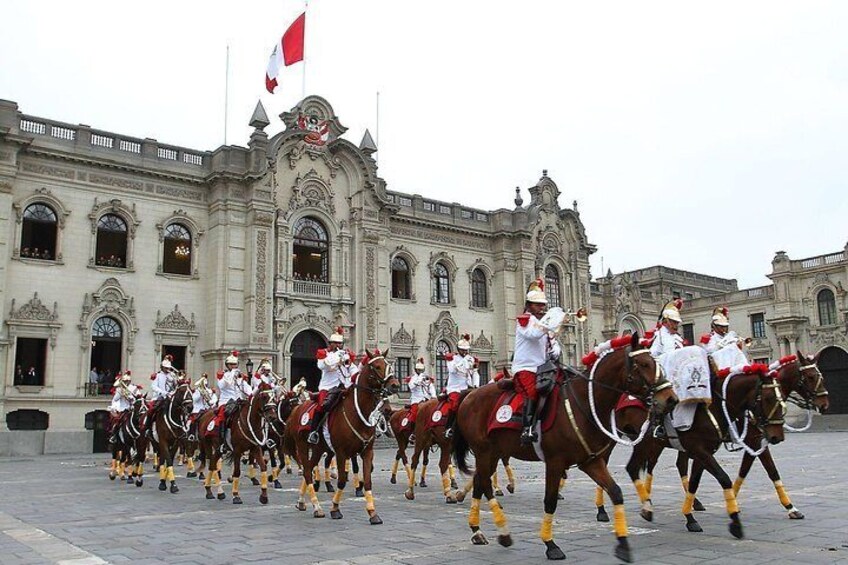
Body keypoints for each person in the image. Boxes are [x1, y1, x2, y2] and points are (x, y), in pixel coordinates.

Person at [512, 278, 563, 445]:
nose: (541, 308)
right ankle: (527, 429)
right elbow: (533, 335)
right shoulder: (524, 320)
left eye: (543, 305)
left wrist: (555, 348)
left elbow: (551, 347)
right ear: (529, 305)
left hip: (542, 369)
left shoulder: (541, 324)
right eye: (537, 305)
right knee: (532, 393)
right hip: (525, 367)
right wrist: (550, 322)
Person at [308, 327, 354, 444]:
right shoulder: (324, 354)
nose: (338, 345)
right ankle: (314, 432)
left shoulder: (346, 354)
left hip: (344, 385)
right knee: (322, 406)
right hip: (328, 387)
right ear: (330, 343)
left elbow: (351, 368)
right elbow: (323, 366)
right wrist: (337, 356)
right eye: (336, 343)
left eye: (340, 343)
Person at [443, 334, 480, 438]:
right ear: (458, 349)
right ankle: (449, 427)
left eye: (466, 350)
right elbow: (452, 370)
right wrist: (464, 361)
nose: (465, 352)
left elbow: (475, 373)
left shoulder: (471, 359)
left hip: (466, 387)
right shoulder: (452, 359)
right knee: (454, 405)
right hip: (454, 387)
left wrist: (476, 385)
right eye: (463, 350)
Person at [212, 351, 251, 448]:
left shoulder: (239, 377)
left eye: (235, 364)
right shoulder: (223, 375)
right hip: (226, 402)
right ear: (227, 365)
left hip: (238, 401)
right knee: (224, 416)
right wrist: (232, 374)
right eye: (231, 364)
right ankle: (222, 442)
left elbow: (247, 389)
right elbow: (222, 386)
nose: (233, 366)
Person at [406, 357, 434, 444]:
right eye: (418, 370)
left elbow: (431, 387)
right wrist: (418, 381)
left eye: (421, 370)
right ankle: (413, 433)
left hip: (426, 400)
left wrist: (433, 396)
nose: (420, 372)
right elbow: (411, 387)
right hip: (416, 400)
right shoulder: (412, 379)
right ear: (415, 370)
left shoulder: (426, 378)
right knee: (414, 414)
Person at [146, 356, 177, 431]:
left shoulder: (172, 375)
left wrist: (175, 380)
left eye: (168, 368)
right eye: (166, 368)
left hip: (170, 397)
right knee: (151, 411)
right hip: (159, 398)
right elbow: (154, 386)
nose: (167, 369)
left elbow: (175, 386)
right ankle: (148, 428)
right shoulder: (158, 375)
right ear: (162, 367)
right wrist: (163, 392)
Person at [109, 372, 137, 443]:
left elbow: (137, 397)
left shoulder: (133, 388)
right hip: (123, 408)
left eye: (127, 381)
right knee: (119, 420)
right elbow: (115, 399)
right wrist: (121, 394)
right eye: (125, 381)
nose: (126, 383)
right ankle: (114, 435)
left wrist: (132, 399)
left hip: (131, 407)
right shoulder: (120, 389)